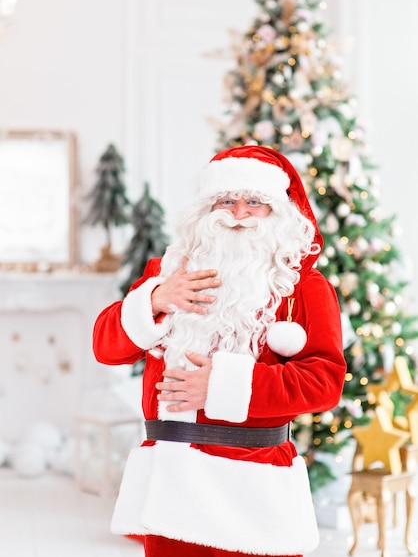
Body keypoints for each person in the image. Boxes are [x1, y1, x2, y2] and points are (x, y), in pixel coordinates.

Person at [93, 145, 346, 557]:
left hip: (257, 488)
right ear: (208, 210)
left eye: (255, 202)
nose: (239, 213)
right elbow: (105, 347)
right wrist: (155, 299)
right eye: (226, 200)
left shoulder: (303, 288)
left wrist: (222, 385)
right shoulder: (167, 273)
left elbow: (325, 383)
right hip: (170, 485)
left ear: (278, 213)